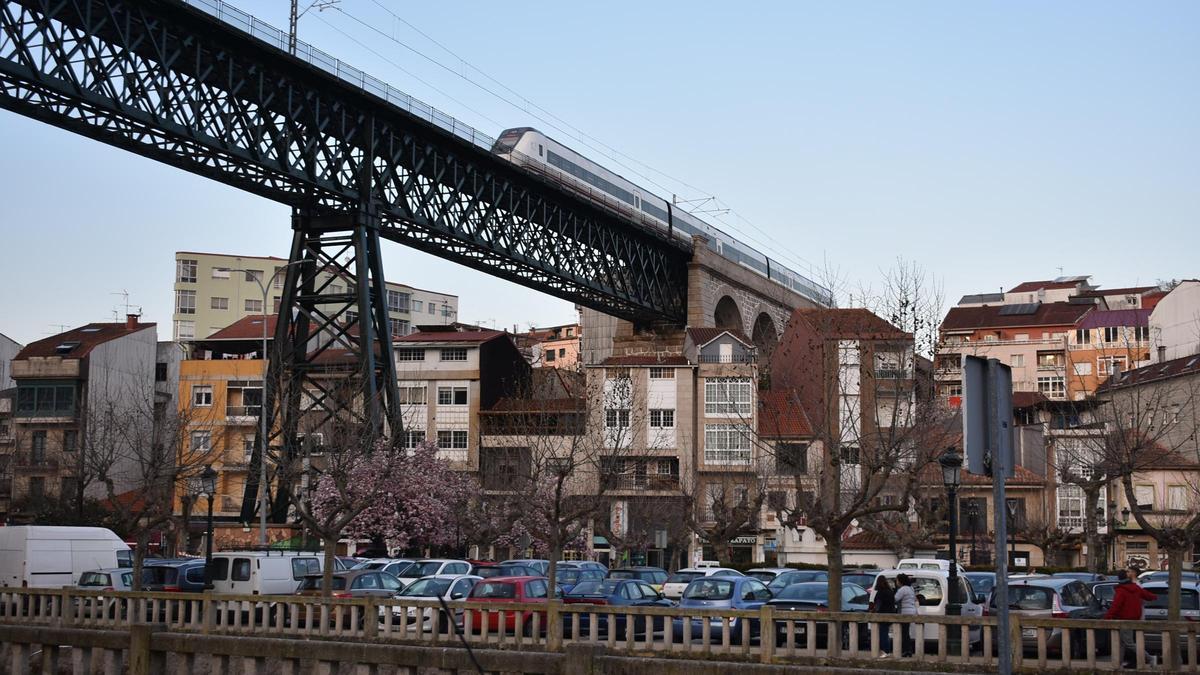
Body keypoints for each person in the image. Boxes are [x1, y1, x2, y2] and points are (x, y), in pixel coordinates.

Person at [1105, 567, 1158, 668]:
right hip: (1135, 618)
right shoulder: (1136, 588)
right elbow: (1149, 596)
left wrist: (1108, 617)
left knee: (1128, 643)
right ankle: (1118, 664)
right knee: (1122, 642)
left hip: (1124, 618)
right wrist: (1154, 596)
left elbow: (1116, 606)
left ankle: (1150, 657)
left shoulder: (1121, 591)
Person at [893, 573, 918, 657]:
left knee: (904, 633)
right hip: (912, 611)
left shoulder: (902, 589)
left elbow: (895, 599)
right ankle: (909, 650)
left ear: (900, 581)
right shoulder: (910, 588)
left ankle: (906, 650)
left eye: (897, 580)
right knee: (906, 632)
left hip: (905, 612)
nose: (896, 582)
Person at [872, 575, 897, 658]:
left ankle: (885, 651)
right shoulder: (890, 591)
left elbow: (878, 604)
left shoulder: (880, 592)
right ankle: (887, 650)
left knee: (883, 634)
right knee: (885, 633)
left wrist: (874, 611)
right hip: (890, 614)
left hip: (882, 614)